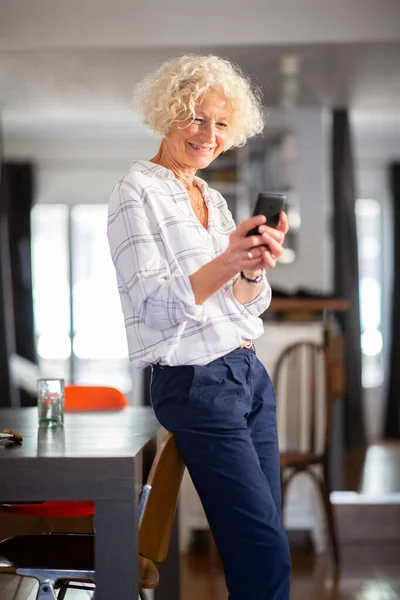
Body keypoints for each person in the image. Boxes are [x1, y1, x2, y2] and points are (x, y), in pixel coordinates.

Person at [107, 54, 291, 600]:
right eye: (195, 117)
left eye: (220, 124)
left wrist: (252, 269)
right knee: (263, 547)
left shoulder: (211, 197)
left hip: (248, 373)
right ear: (167, 114)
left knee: (263, 537)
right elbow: (154, 305)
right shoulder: (133, 191)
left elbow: (246, 308)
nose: (208, 135)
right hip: (196, 382)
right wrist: (229, 262)